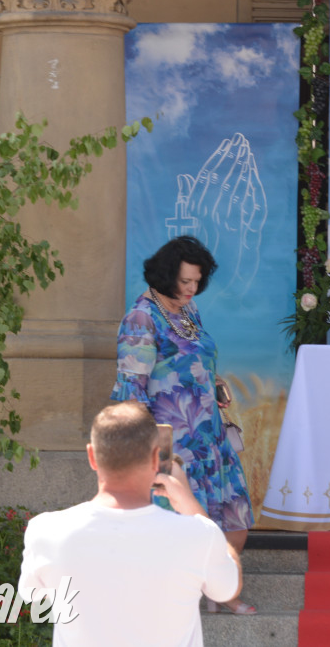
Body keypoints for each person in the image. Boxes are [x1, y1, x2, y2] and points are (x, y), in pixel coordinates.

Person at [18, 401, 243, 647]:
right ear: (157, 459)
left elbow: (32, 596)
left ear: (92, 456)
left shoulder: (46, 531)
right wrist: (189, 503)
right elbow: (228, 589)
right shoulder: (199, 535)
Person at [110, 235, 255, 614]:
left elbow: (195, 362)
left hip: (210, 434)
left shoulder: (188, 312)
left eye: (197, 281)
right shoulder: (142, 316)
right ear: (164, 275)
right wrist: (148, 451)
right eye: (185, 281)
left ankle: (219, 589)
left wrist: (215, 383)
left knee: (235, 520)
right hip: (174, 442)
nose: (192, 289)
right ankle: (192, 596)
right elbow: (130, 389)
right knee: (184, 525)